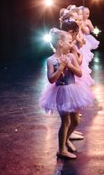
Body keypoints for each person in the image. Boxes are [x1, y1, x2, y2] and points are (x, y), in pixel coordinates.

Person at [39, 28, 93, 159]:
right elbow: (51, 79)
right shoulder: (51, 60)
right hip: (61, 92)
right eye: (69, 41)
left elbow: (79, 73)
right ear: (60, 43)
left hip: (74, 90)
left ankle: (66, 139)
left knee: (75, 120)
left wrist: (69, 66)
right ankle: (61, 149)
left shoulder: (71, 56)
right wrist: (61, 68)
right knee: (65, 121)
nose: (72, 44)